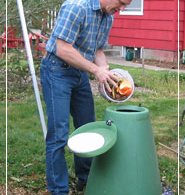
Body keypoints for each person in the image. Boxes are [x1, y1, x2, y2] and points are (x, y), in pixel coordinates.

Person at [40, 0, 132, 194]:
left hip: (79, 73)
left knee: (86, 127)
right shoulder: (76, 7)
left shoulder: (107, 16)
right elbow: (62, 48)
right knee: (59, 134)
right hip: (57, 70)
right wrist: (95, 70)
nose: (122, 9)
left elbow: (98, 50)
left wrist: (105, 70)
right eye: (122, 3)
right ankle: (59, 190)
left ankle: (86, 180)